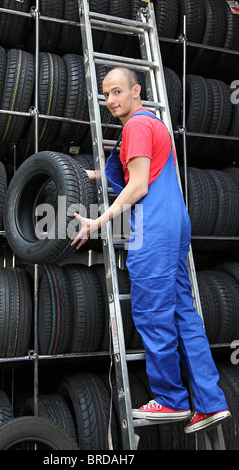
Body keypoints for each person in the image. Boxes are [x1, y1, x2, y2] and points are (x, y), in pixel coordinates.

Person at [71, 66, 231, 434]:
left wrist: (99, 221)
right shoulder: (154, 125)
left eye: (117, 92)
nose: (111, 100)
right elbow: (141, 170)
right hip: (175, 220)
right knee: (184, 315)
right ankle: (210, 401)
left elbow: (139, 185)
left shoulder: (136, 126)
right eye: (106, 94)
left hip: (154, 225)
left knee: (151, 311)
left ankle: (171, 399)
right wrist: (97, 174)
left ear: (136, 91)